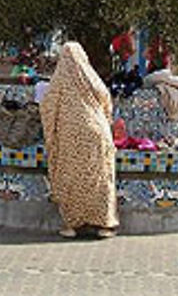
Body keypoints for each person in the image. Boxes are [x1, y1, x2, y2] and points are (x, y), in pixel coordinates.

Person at [40, 42, 118, 239]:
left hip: (70, 136)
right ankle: (104, 225)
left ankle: (73, 226)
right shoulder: (90, 76)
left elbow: (47, 106)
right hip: (97, 133)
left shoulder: (60, 79)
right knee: (99, 178)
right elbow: (106, 98)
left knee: (71, 178)